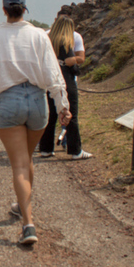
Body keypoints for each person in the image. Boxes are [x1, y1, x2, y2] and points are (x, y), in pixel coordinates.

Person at [0, 0, 71, 245]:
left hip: (8, 101)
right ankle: (22, 205)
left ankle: (28, 225)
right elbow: (53, 73)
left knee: (18, 163)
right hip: (38, 102)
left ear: (5, 10)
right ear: (25, 9)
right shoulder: (40, 35)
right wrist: (62, 105)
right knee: (27, 158)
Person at [39, 16, 92, 160]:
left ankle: (45, 149)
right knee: (71, 114)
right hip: (67, 80)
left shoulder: (47, 37)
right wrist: (73, 61)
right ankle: (75, 151)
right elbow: (79, 59)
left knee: (50, 116)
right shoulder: (71, 39)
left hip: (49, 80)